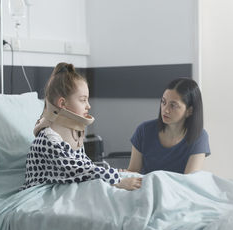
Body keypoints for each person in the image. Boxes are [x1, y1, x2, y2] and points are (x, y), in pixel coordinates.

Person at [21, 62, 142, 191]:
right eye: (83, 100)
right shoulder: (48, 140)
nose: (88, 106)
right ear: (62, 103)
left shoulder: (73, 134)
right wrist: (117, 180)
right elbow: (78, 170)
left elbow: (85, 166)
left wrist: (115, 173)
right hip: (42, 191)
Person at [127, 77, 210, 175]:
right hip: (147, 188)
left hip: (179, 190)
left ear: (189, 111)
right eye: (163, 102)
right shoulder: (144, 130)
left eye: (173, 105)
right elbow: (133, 173)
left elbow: (188, 182)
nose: (165, 110)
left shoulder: (199, 136)